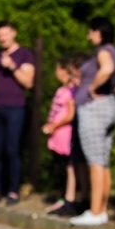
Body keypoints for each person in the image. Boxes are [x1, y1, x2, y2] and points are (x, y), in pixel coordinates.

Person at [69, 17, 115, 227]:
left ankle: (95, 210)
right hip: (107, 107)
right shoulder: (113, 50)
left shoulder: (102, 51)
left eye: (91, 31)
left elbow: (106, 69)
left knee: (95, 162)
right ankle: (102, 209)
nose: (88, 35)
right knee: (103, 160)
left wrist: (91, 88)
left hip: (94, 109)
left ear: (98, 32)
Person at [0, 21, 35, 204]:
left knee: (12, 149)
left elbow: (29, 82)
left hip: (15, 107)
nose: (2, 38)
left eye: (5, 34)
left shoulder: (24, 54)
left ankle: (13, 190)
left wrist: (12, 66)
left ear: (14, 33)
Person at [43, 57, 77, 216]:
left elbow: (70, 114)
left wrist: (55, 126)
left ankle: (68, 199)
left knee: (68, 168)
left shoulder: (70, 91)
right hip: (57, 136)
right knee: (61, 168)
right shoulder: (62, 90)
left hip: (65, 134)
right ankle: (63, 198)